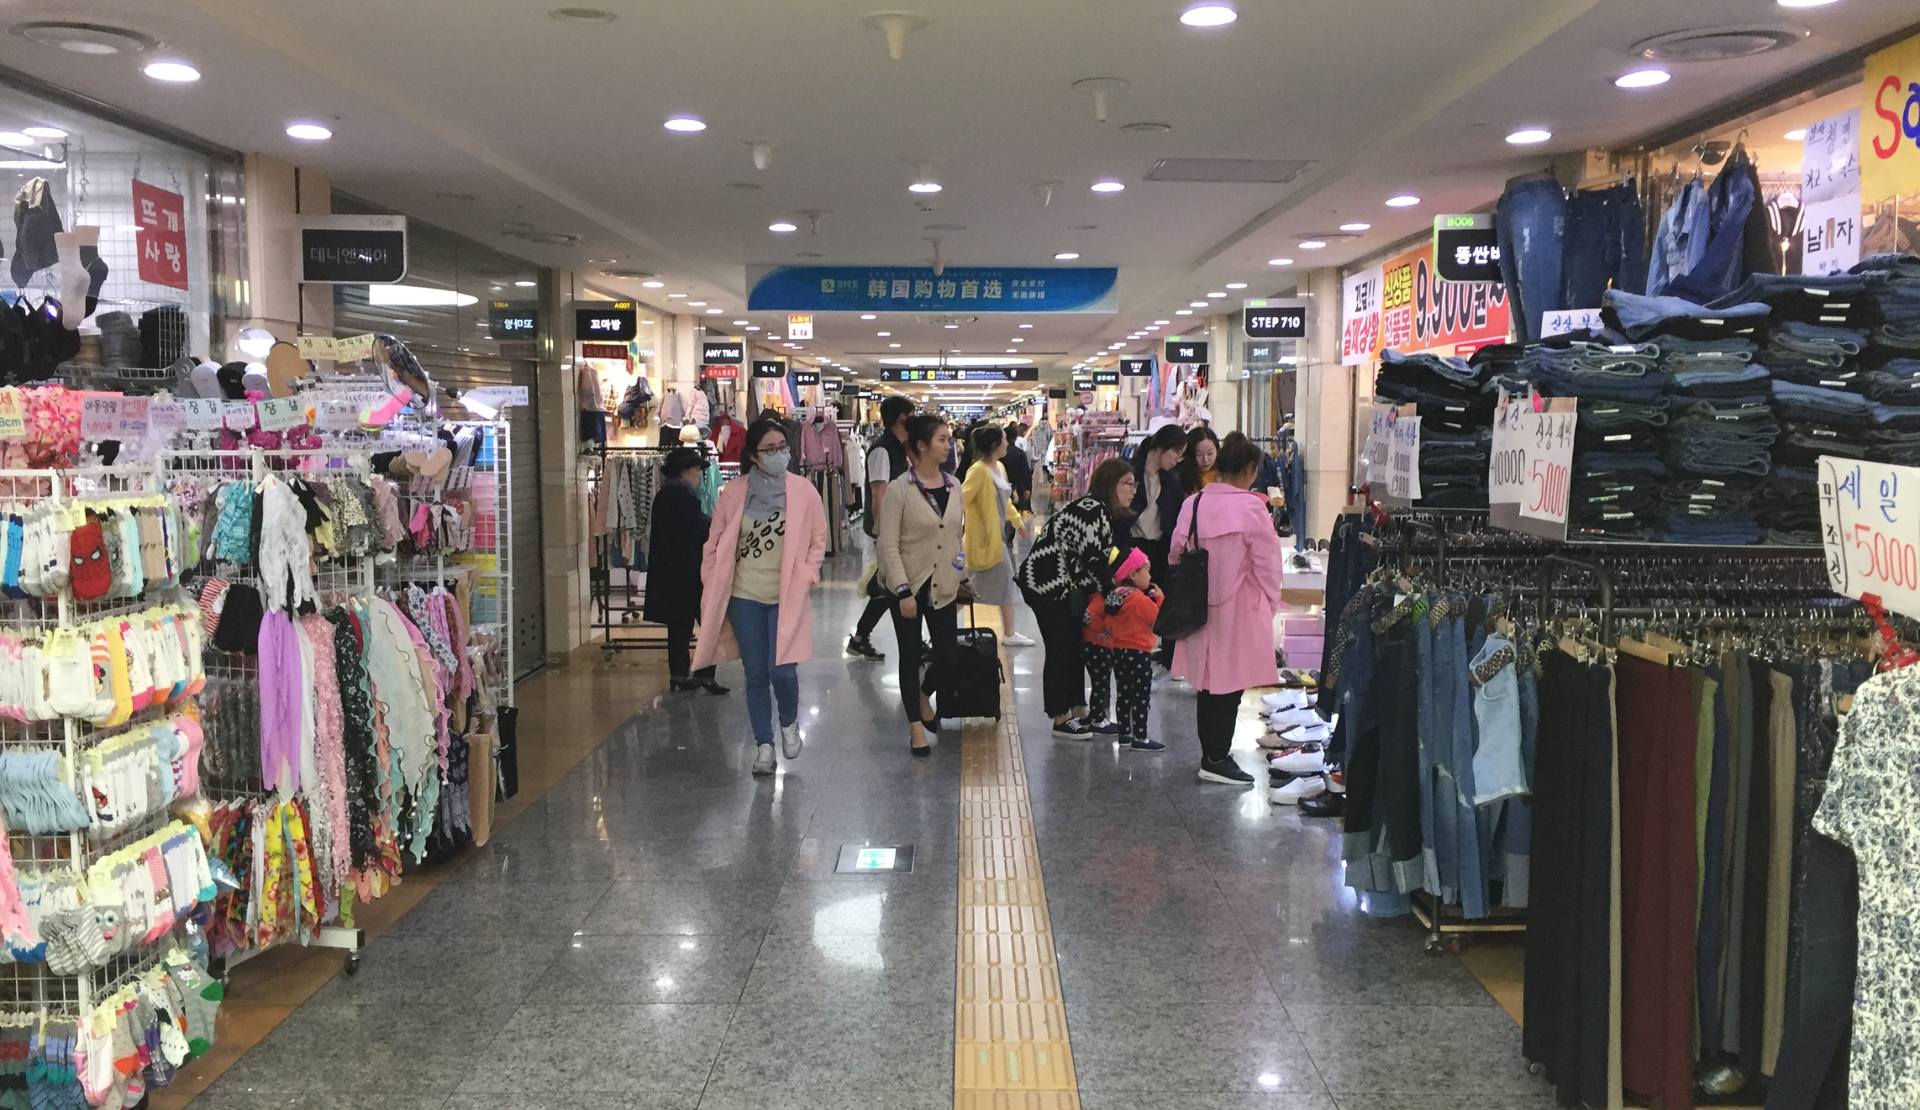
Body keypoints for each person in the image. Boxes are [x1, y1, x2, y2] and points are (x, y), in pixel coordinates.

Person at [692, 419, 829, 776]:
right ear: (753, 455)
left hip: (787, 595)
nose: (779, 454)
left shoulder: (803, 492)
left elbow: (818, 538)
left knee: (782, 670)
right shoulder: (734, 494)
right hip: (744, 596)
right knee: (755, 674)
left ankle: (788, 724)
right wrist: (711, 579)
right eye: (769, 449)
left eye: (782, 446)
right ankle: (764, 745)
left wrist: (809, 573)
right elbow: (714, 543)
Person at [1168, 432, 1288, 785]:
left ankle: (1213, 753)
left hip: (1198, 607)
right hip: (1239, 608)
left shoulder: (1194, 503)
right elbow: (1268, 566)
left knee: (1207, 685)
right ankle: (1217, 758)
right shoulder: (1252, 507)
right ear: (1250, 469)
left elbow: (1176, 552)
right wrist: (1267, 606)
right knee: (1230, 686)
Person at [1016, 458, 1135, 739]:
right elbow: (1094, 559)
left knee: (1073, 646)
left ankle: (1080, 710)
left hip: (1063, 586)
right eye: (1127, 483)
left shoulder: (1099, 510)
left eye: (1134, 484)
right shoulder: (1092, 510)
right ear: (1110, 484)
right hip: (1047, 585)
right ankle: (1060, 717)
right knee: (1060, 648)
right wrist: (1111, 595)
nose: (1133, 490)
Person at [878, 414, 968, 756]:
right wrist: (902, 590)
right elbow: (888, 544)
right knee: (910, 655)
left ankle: (922, 694)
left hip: (943, 587)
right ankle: (916, 727)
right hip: (908, 587)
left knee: (947, 657)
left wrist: (961, 575)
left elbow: (957, 536)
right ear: (921, 446)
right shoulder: (900, 490)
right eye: (942, 440)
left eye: (949, 439)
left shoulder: (953, 486)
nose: (949, 445)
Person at [646, 446, 726, 695]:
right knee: (709, 624)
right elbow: (696, 527)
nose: (699, 476)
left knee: (679, 629)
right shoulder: (679, 496)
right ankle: (704, 675)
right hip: (688, 574)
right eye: (695, 470)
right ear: (684, 472)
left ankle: (680, 677)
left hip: (674, 574)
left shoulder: (667, 495)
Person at [848, 395, 915, 662]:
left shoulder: (900, 448)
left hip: (900, 529)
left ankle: (859, 639)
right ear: (901, 417)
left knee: (890, 589)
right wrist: (881, 534)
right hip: (888, 531)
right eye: (912, 413)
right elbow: (879, 494)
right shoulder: (882, 450)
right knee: (895, 587)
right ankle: (863, 639)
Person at [1084, 547, 1164, 752]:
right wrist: (1159, 599)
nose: (1150, 576)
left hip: (1118, 653)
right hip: (1139, 654)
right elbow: (1157, 619)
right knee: (1141, 696)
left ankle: (1124, 735)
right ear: (1133, 574)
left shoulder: (1114, 596)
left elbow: (1105, 619)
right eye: (1147, 571)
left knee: (1123, 694)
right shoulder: (1139, 599)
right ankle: (1141, 737)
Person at [961, 425, 1032, 647]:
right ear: (994, 445)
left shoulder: (999, 467)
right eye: (1003, 440)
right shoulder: (978, 470)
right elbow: (961, 500)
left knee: (975, 586)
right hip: (983, 540)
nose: (1007, 443)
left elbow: (1005, 501)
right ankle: (1009, 634)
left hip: (996, 537)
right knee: (982, 585)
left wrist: (1018, 522)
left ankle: (1009, 633)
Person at [1175, 426, 1221, 494]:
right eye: (1199, 455)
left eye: (1210, 453)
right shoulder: (1178, 477)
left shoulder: (1223, 474)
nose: (1205, 460)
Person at [1002, 423, 1034, 516]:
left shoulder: (999, 454)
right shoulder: (1020, 453)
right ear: (1015, 438)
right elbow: (1025, 472)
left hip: (1002, 488)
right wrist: (1028, 488)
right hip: (1018, 488)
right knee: (1015, 513)